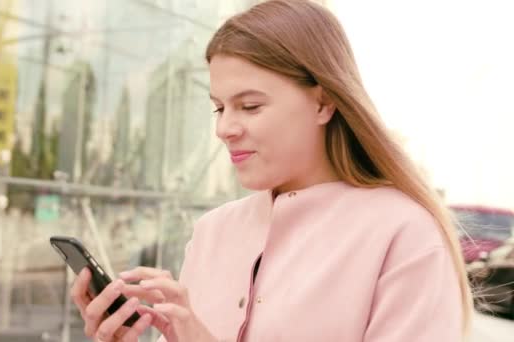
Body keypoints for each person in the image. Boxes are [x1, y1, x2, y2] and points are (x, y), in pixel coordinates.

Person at [70, 0, 472, 341]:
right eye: (219, 107)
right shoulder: (212, 231)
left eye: (250, 106)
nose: (224, 128)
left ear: (323, 102)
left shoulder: (404, 235)